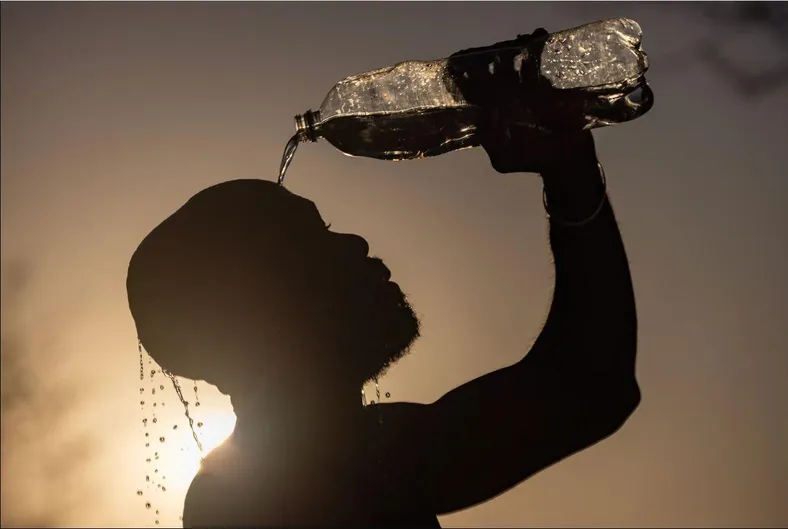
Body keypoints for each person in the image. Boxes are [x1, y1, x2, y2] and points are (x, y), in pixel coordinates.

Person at [126, 100, 641, 527]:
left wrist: (570, 169)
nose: (357, 241)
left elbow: (588, 387)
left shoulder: (364, 449)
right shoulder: (249, 499)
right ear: (250, 316)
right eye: (307, 242)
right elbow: (586, 387)